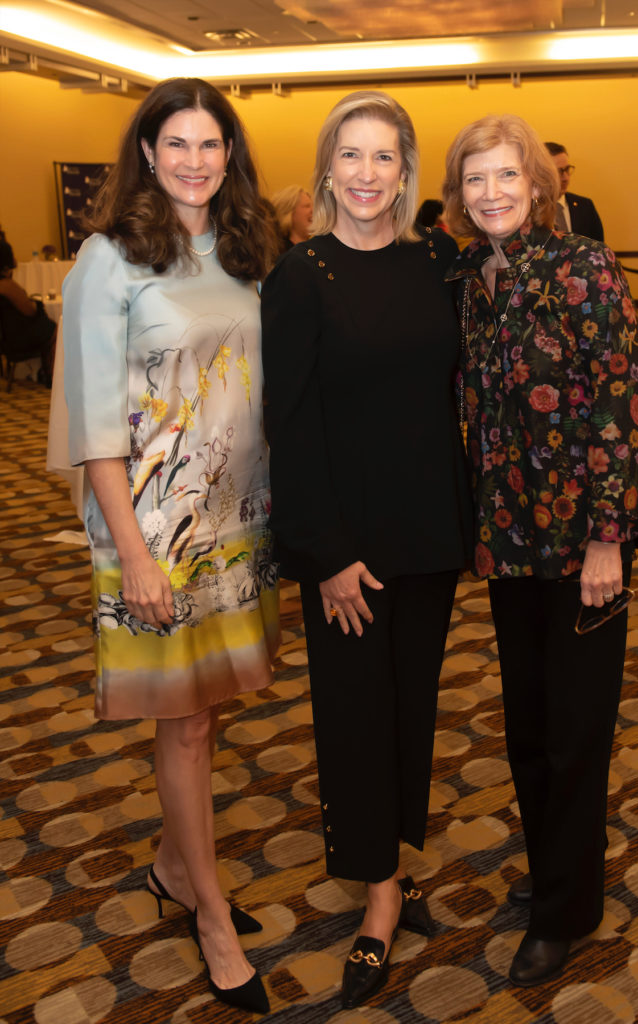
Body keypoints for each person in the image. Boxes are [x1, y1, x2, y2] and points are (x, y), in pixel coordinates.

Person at [62, 77, 280, 1015]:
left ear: (230, 156)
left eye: (210, 144)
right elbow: (91, 422)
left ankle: (170, 864)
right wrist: (135, 556)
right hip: (153, 532)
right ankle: (212, 918)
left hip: (241, 523)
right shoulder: (108, 261)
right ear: (146, 154)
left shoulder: (244, 252)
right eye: (176, 144)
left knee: (211, 709)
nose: (195, 161)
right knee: (183, 723)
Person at [261, 90, 472, 1010]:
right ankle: (379, 894)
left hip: (427, 530)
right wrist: (327, 550)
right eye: (350, 155)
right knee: (355, 715)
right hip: (345, 543)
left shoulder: (437, 263)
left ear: (405, 170)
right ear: (327, 168)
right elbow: (289, 421)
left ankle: (395, 859)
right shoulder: (300, 275)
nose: (365, 174)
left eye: (383, 157)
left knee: (411, 706)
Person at [443, 114, 638, 987]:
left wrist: (609, 536)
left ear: (536, 184)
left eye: (505, 177)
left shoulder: (583, 267)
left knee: (576, 732)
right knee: (526, 725)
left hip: (580, 543)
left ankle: (571, 909)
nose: (490, 193)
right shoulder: (469, 279)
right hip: (508, 540)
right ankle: (552, 870)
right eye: (474, 179)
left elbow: (618, 405)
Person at [0, 239, 56, 387]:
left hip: (7, 338)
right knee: (54, 328)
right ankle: (50, 374)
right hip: (16, 339)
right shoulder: (6, 285)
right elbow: (29, 311)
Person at [545, 141, 604, 241]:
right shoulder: (532, 209)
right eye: (559, 171)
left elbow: (599, 251)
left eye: (567, 169)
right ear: (542, 172)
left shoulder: (585, 206)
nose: (566, 178)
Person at [271, 184, 313, 252]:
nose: (314, 211)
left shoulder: (316, 250)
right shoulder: (279, 255)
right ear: (289, 212)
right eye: (307, 206)